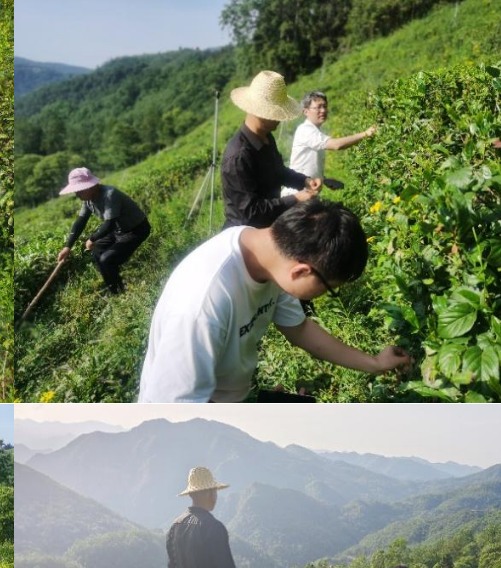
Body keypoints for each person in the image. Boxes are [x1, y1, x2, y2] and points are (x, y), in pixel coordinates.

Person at [137, 198, 413, 402]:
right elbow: (174, 413)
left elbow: (300, 329)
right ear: (302, 271)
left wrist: (374, 363)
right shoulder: (202, 307)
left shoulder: (271, 256)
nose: (326, 297)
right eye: (329, 289)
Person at [221, 71, 321, 229]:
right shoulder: (238, 156)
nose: (280, 119)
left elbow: (278, 172)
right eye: (276, 114)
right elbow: (251, 213)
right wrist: (296, 198)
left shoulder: (266, 137)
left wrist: (304, 181)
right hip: (245, 234)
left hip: (269, 222)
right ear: (261, 113)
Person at [55, 167, 151, 294]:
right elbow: (81, 221)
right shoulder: (88, 200)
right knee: (97, 252)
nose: (76, 194)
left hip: (136, 229)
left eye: (78, 190)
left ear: (89, 186)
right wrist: (67, 247)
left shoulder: (109, 194)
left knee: (107, 259)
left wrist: (92, 238)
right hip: (119, 230)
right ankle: (113, 289)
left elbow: (109, 224)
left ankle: (119, 293)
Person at [280, 91, 376, 196]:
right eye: (318, 107)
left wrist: (323, 179)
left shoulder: (314, 131)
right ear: (306, 111)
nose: (323, 110)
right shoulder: (306, 130)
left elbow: (308, 164)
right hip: (298, 194)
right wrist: (366, 134)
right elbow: (336, 145)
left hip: (306, 193)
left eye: (325, 106)